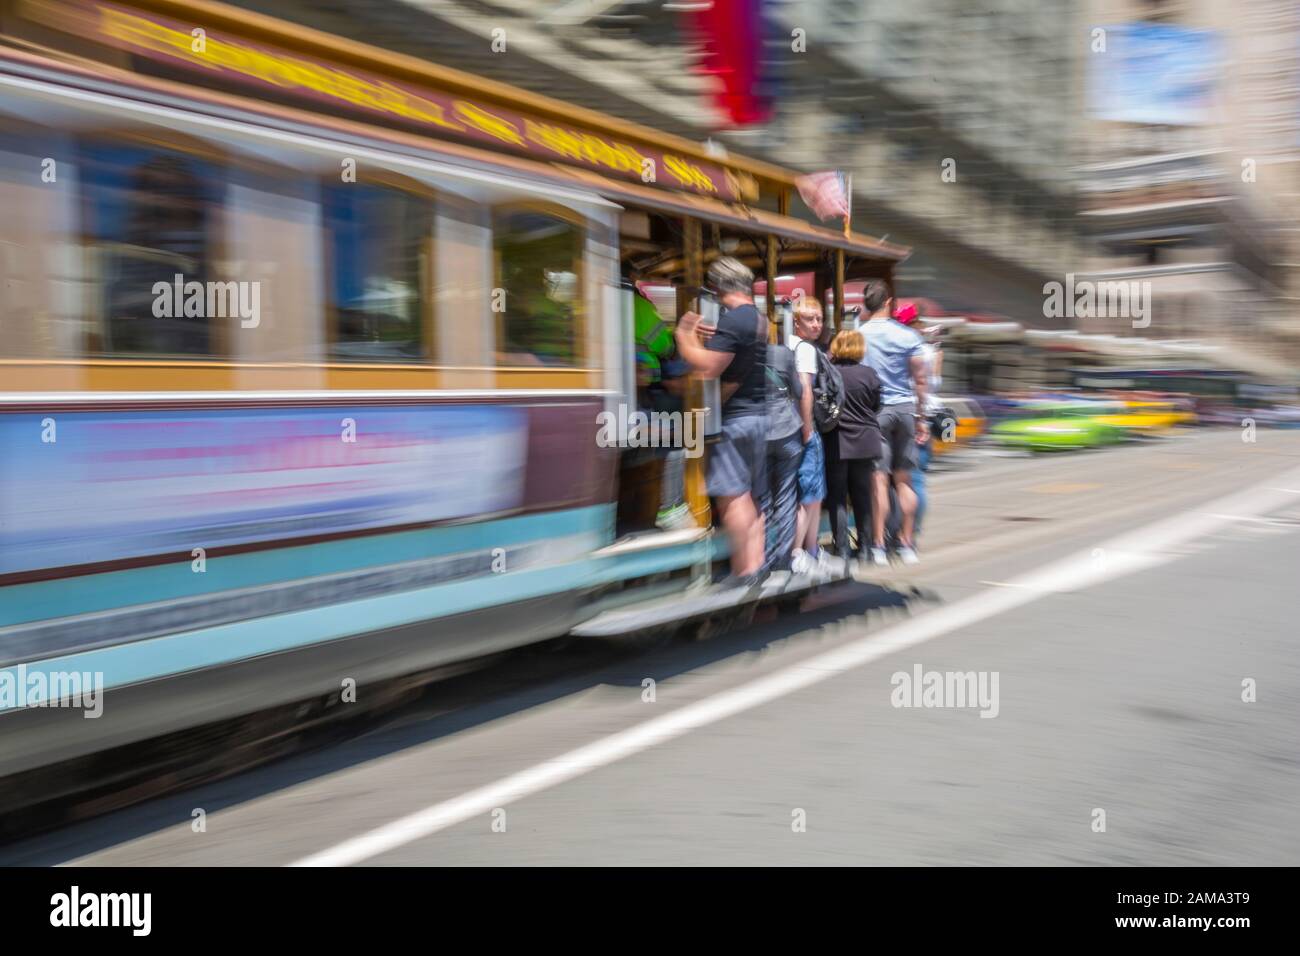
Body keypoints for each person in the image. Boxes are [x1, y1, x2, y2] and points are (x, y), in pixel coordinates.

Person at [675, 257, 768, 587]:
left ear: (717, 287)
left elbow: (707, 366)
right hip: (757, 416)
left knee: (733, 497)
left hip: (736, 421)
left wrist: (683, 334)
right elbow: (737, 356)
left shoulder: (736, 319)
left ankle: (744, 572)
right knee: (752, 499)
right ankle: (756, 566)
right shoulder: (756, 318)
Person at [858, 280, 928, 566]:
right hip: (905, 410)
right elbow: (920, 380)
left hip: (876, 412)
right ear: (888, 302)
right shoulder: (909, 336)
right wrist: (921, 417)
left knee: (878, 481)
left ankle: (877, 546)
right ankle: (907, 544)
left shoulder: (859, 335)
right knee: (904, 480)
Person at [825, 329, 882, 570]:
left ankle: (841, 547)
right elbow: (877, 405)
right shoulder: (869, 374)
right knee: (862, 495)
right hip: (866, 441)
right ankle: (866, 548)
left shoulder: (831, 373)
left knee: (837, 497)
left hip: (838, 440)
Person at [787, 298, 831, 576]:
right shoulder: (805, 350)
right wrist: (808, 429)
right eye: (809, 319)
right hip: (805, 428)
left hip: (790, 427)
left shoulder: (788, 346)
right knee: (809, 495)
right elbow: (805, 390)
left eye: (818, 318)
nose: (816, 324)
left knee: (811, 494)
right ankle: (799, 552)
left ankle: (811, 549)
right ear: (796, 322)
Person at [762, 340, 805, 580]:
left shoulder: (742, 352)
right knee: (786, 498)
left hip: (759, 431)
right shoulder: (782, 353)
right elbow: (798, 391)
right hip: (787, 429)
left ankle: (765, 557)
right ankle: (783, 559)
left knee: (763, 498)